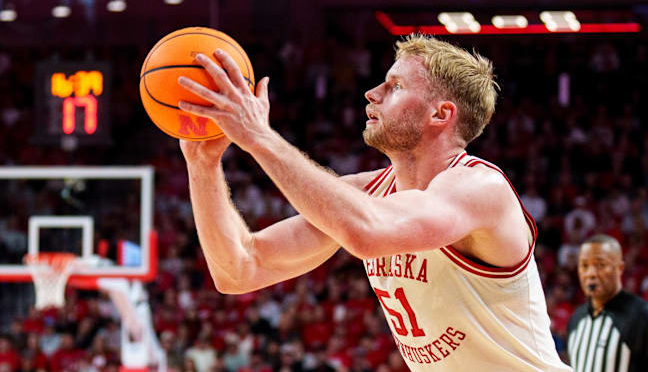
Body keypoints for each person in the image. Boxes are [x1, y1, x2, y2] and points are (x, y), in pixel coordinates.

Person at [176, 34, 570, 371]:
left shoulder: (481, 187)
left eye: (395, 86)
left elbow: (367, 232)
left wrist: (258, 137)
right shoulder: (364, 196)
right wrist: (203, 166)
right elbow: (241, 269)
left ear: (441, 114)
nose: (372, 93)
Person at [567, 234, 648, 372]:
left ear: (620, 268)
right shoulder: (576, 318)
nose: (591, 273)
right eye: (584, 265)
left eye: (600, 265)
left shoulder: (641, 315)